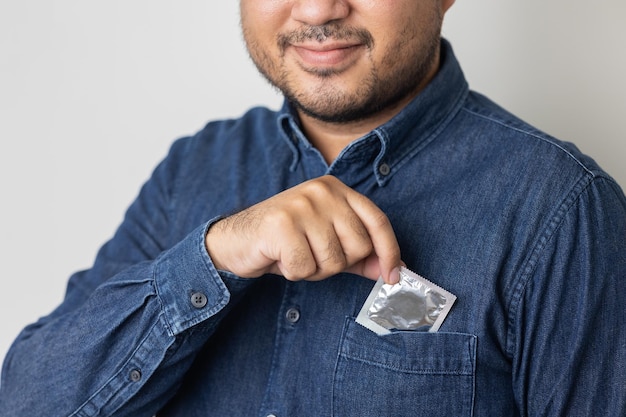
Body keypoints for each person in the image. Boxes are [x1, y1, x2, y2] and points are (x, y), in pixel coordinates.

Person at [1, 1, 625, 415]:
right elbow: (27, 402)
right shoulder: (191, 170)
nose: (320, 9)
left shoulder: (561, 209)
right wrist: (214, 256)